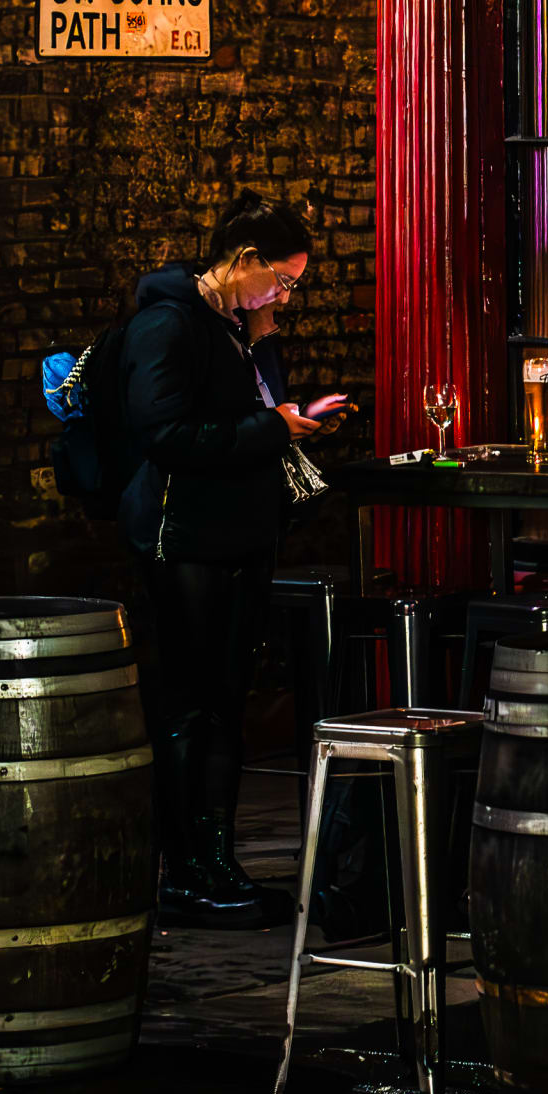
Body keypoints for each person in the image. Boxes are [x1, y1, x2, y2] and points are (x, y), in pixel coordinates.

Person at [116, 193, 344, 925]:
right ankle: (187, 869)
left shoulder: (236, 327)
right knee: (195, 704)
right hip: (186, 539)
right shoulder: (167, 325)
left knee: (226, 703)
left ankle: (219, 860)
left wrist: (274, 372)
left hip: (241, 535)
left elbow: (255, 411)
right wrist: (272, 427)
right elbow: (168, 434)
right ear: (244, 261)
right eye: (282, 280)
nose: (285, 295)